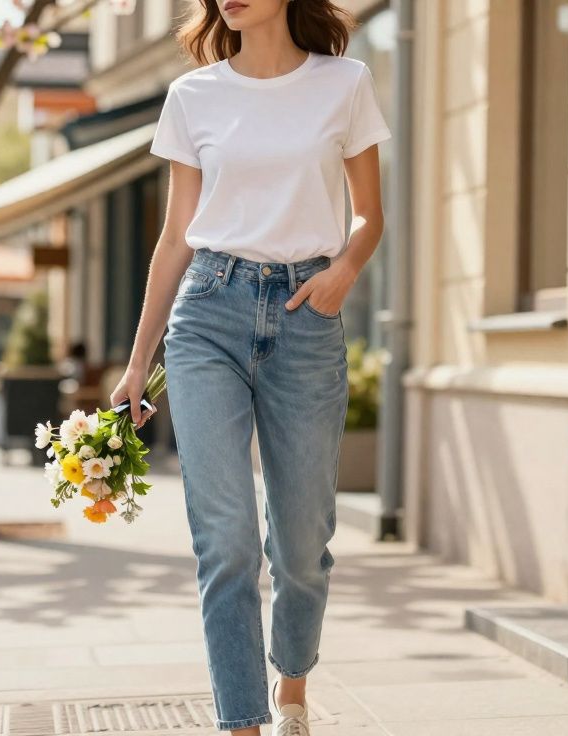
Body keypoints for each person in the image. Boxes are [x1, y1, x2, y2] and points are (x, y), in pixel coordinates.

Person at [109, 2, 390, 735]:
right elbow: (174, 236)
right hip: (208, 314)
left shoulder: (345, 82)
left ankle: (291, 688)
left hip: (307, 315)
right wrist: (137, 362)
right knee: (226, 539)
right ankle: (242, 723)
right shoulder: (193, 95)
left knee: (302, 544)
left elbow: (370, 214)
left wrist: (345, 271)